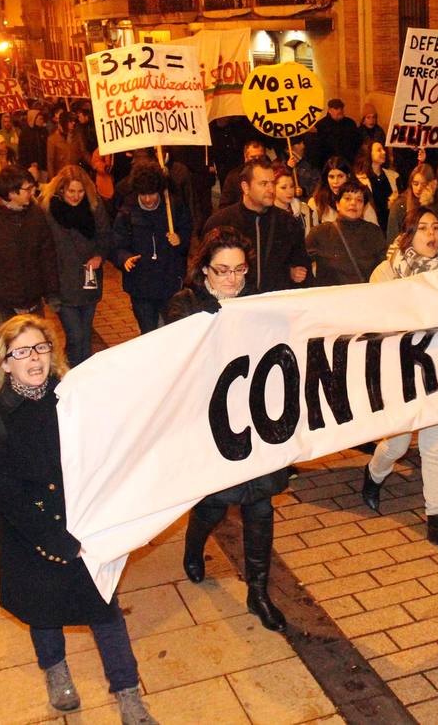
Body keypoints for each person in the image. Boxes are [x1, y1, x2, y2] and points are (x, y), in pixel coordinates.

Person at [0, 315, 156, 724]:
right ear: (5, 363)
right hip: (33, 530)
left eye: (41, 348)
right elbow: (5, 493)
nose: (34, 359)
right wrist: (50, 540)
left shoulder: (75, 399)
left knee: (105, 610)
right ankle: (56, 672)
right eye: (22, 352)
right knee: (44, 609)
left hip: (83, 523)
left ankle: (128, 694)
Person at [169, 229, 290, 632]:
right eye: (223, 271)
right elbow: (172, 365)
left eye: (240, 269)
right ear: (205, 269)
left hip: (256, 420)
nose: (233, 280)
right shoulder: (185, 306)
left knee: (260, 504)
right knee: (217, 503)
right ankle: (195, 540)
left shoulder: (256, 302)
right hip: (211, 423)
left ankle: (258, 591)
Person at [362, 208, 438, 555]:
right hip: (401, 370)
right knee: (398, 443)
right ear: (408, 234)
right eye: (422, 228)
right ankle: (374, 474)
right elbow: (374, 323)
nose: (431, 234)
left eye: (436, 226)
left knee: (435, 446)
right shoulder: (387, 273)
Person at [0, 166, 59, 327]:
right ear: (11, 193)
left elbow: (47, 255)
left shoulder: (35, 215)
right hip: (4, 308)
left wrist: (52, 293)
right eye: (27, 188)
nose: (32, 191)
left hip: (34, 303)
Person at [201, 157, 310, 293]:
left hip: (276, 304)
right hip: (234, 305)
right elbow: (203, 271)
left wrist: (292, 273)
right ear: (245, 187)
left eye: (272, 183)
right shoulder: (220, 223)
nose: (271, 189)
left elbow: (301, 267)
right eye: (264, 184)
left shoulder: (288, 223)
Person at [41, 166, 113, 367]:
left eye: (80, 191)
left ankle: (78, 373)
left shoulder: (94, 207)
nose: (76, 196)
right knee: (76, 335)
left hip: (88, 281)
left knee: (85, 336)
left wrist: (100, 255)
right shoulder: (48, 210)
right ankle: (73, 376)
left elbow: (105, 235)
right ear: (61, 190)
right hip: (62, 283)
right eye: (71, 191)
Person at [112, 165, 190, 333]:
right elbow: (117, 245)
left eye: (152, 194)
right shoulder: (127, 212)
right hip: (141, 286)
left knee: (171, 331)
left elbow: (187, 234)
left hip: (169, 283)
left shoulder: (173, 208)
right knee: (148, 331)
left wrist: (180, 239)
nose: (148, 199)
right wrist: (124, 258)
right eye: (143, 195)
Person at [306, 182, 386, 286]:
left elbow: (383, 267)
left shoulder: (374, 232)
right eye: (348, 198)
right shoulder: (320, 233)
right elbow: (300, 261)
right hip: (332, 298)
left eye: (359, 200)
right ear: (337, 204)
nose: (353, 203)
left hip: (365, 297)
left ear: (364, 207)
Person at [308, 156, 379, 225]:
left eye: (340, 176)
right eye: (331, 177)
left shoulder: (359, 199)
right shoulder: (317, 202)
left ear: (348, 176)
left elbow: (374, 229)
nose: (335, 181)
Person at [385, 163, 436, 243]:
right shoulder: (400, 205)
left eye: (424, 184)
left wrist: (427, 202)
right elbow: (392, 237)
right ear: (410, 183)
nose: (419, 188)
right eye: (415, 184)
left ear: (431, 185)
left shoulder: (435, 203)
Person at [355, 140, 399, 232]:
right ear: (369, 153)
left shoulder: (393, 176)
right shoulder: (360, 179)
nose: (384, 152)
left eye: (383, 149)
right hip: (370, 225)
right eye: (379, 150)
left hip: (390, 224)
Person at [311, 98, 359, 168]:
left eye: (341, 108)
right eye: (336, 108)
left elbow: (356, 142)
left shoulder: (350, 123)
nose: (340, 110)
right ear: (330, 110)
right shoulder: (321, 125)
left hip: (348, 163)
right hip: (329, 164)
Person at [220, 140, 268, 209]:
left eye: (261, 157)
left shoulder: (272, 174)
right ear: (245, 157)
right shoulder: (233, 176)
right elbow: (224, 205)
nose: (257, 160)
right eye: (253, 157)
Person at [272, 165, 313, 235]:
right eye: (283, 187)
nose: (289, 191)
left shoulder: (304, 209)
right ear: (273, 188)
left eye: (291, 186)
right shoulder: (267, 213)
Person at [48, 111, 87, 178]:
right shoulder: (53, 139)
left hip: (75, 174)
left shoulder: (77, 136)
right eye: (70, 121)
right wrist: (53, 180)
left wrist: (94, 165)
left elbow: (84, 153)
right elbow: (50, 161)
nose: (73, 123)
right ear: (64, 123)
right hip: (61, 175)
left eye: (74, 121)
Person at [18, 111, 49, 183]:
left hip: (43, 166)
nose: (42, 121)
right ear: (33, 119)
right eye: (40, 119)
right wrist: (30, 163)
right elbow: (22, 151)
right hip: (30, 167)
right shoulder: (25, 133)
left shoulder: (44, 131)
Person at [286, 132, 320, 199]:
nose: (303, 146)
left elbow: (317, 181)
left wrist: (304, 191)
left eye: (302, 143)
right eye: (299, 143)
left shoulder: (308, 161)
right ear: (291, 147)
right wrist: (288, 168)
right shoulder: (282, 163)